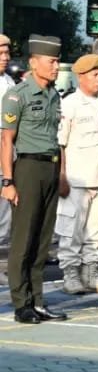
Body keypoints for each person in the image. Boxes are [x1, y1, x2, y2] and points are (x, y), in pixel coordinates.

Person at [2, 36, 66, 323]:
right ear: (34, 62)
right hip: (27, 168)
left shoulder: (54, 94)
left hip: (50, 168)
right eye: (51, 61)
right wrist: (8, 181)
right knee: (23, 239)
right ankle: (21, 303)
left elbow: (56, 138)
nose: (56, 66)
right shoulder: (18, 95)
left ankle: (38, 300)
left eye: (57, 61)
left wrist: (61, 173)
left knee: (42, 239)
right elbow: (6, 140)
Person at [56, 54, 98, 296]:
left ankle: (90, 274)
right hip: (77, 179)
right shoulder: (70, 103)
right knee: (72, 231)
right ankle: (70, 275)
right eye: (95, 75)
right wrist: (61, 176)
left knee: (95, 233)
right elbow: (61, 143)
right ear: (81, 77)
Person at [0, 33, 14, 246]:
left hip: (7, 147)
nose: (5, 57)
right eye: (0, 53)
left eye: (6, 52)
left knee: (4, 209)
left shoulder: (8, 81)